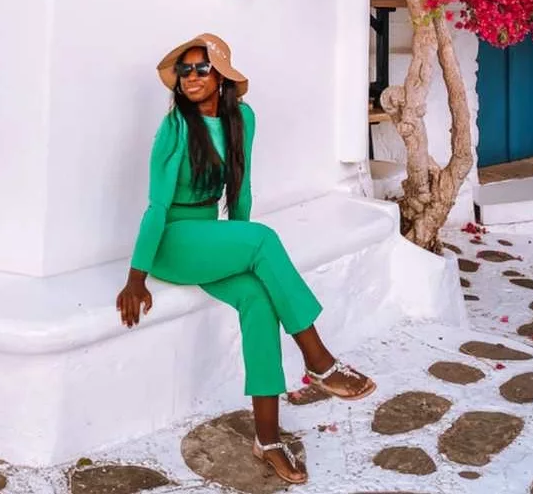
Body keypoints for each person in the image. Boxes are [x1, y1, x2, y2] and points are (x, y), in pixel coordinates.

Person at [117, 34, 376, 485]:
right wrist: (135, 278)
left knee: (258, 298)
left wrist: (239, 242)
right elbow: (157, 207)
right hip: (173, 243)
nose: (191, 78)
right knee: (263, 239)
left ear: (222, 76)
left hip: (211, 238)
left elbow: (241, 186)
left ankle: (268, 439)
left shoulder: (243, 118)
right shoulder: (175, 127)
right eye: (185, 71)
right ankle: (318, 360)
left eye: (201, 69)